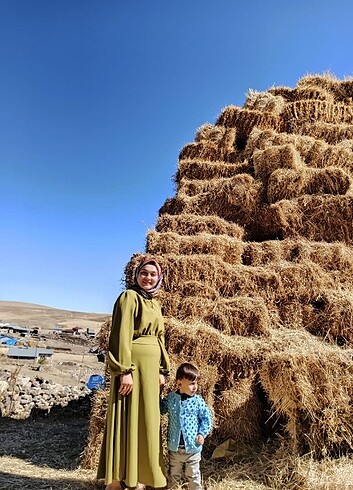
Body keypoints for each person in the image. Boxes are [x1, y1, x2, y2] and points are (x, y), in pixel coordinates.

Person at [97, 257, 170, 490]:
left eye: (153, 274)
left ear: (159, 278)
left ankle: (138, 478)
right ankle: (117, 481)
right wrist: (124, 371)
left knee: (147, 421)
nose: (148, 278)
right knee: (127, 417)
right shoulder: (129, 297)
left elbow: (160, 338)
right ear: (136, 274)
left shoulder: (155, 304)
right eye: (144, 273)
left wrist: (161, 369)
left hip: (150, 371)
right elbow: (120, 334)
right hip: (133, 367)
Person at [160, 363, 212, 490]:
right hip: (175, 447)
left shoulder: (197, 401)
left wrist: (201, 434)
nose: (195, 387)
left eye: (196, 383)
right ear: (179, 383)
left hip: (193, 448)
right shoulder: (172, 398)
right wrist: (158, 393)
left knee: (193, 475)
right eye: (191, 383)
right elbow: (161, 409)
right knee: (174, 475)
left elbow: (206, 418)